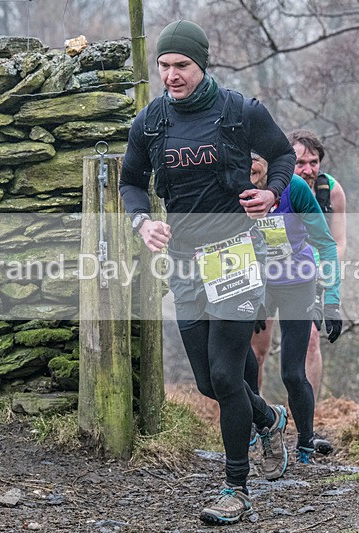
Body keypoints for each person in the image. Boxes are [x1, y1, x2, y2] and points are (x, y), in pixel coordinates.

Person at [119, 20, 296, 525]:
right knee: (207, 382)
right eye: (164, 66)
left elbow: (282, 154)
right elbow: (131, 181)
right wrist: (142, 221)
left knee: (224, 372)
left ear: (202, 64)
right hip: (183, 259)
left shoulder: (239, 111)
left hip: (234, 251)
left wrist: (272, 192)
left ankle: (235, 488)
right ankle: (268, 417)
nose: (171, 75)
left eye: (182, 65)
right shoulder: (151, 121)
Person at [250, 129, 347, 456]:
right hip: (259, 282)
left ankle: (306, 439)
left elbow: (329, 245)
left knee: (293, 371)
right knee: (249, 357)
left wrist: (331, 302)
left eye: (312, 162)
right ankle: (256, 425)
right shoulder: (239, 186)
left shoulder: (297, 189)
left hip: (297, 281)